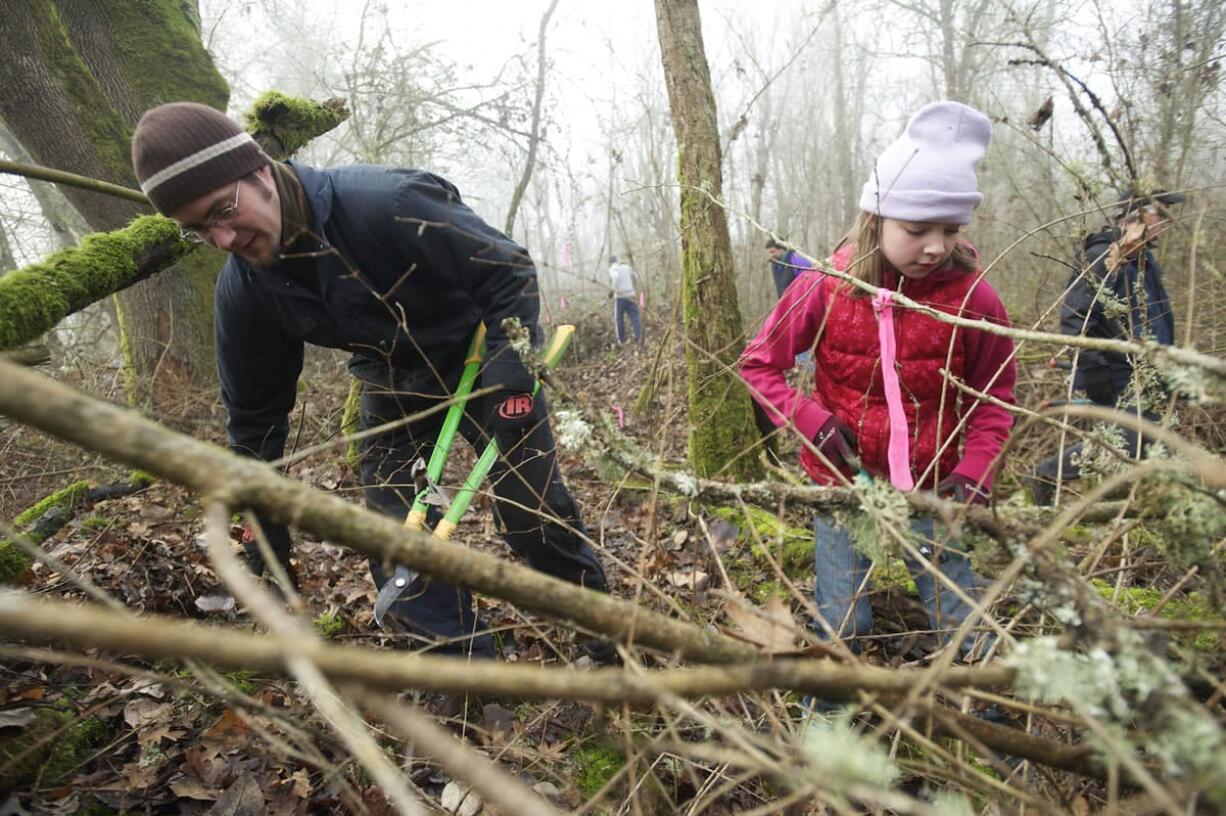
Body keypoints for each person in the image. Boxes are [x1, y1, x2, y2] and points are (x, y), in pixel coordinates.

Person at [130, 102, 611, 664]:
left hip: (482, 352)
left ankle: (605, 641)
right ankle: (464, 672)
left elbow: (506, 271)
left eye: (223, 210)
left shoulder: (391, 202)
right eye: (199, 230)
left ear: (260, 171)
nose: (223, 238)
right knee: (392, 534)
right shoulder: (246, 293)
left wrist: (513, 383)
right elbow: (255, 417)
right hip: (389, 377)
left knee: (532, 512)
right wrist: (264, 524)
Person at [740, 102, 1016, 666]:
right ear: (876, 220)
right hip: (844, 485)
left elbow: (996, 400)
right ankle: (827, 718)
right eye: (916, 230)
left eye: (950, 229)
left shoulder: (973, 299)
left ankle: (988, 709)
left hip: (935, 485)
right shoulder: (827, 285)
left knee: (959, 613)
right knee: (844, 622)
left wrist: (974, 473)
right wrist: (810, 421)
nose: (936, 246)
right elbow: (758, 364)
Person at [1030, 188, 1183, 505]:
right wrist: (1089, 363)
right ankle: (1046, 473)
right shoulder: (1107, 254)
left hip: (1146, 373)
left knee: (1150, 445)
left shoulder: (1143, 259)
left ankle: (1149, 513)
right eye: (1160, 213)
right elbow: (1075, 312)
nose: (1166, 222)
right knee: (1132, 441)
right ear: (1136, 215)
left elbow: (1154, 319)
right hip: (1117, 373)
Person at [608, 254, 643, 345]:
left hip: (620, 297)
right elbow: (635, 277)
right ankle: (639, 337)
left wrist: (613, 290)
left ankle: (622, 340)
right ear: (617, 260)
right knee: (634, 316)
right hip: (631, 294)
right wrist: (632, 286)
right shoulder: (626, 267)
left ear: (610, 263)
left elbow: (615, 277)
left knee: (619, 319)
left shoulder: (613, 269)